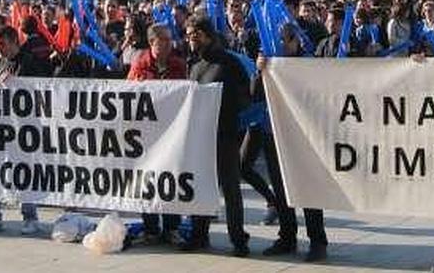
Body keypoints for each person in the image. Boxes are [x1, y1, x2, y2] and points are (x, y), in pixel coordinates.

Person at [258, 23, 329, 262]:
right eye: (279, 40)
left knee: (308, 189)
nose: (282, 44)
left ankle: (317, 240)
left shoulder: (307, 64)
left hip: (302, 134)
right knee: (280, 187)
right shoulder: (268, 62)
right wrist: (260, 72)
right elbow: (254, 93)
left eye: (287, 39)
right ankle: (287, 236)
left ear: (296, 41)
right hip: (273, 131)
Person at [183, 16, 250, 257]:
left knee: (231, 189)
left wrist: (228, 111)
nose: (190, 40)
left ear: (207, 35)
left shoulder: (230, 63)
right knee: (200, 186)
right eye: (188, 35)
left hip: (226, 135)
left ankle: (238, 239)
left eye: (194, 35)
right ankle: (199, 234)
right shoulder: (195, 66)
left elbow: (246, 94)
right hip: (201, 137)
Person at [0, 25, 50, 234]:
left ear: (13, 42)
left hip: (21, 127)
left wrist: (17, 83)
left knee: (23, 170)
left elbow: (41, 87)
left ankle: (30, 216)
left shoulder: (29, 62)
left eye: (2, 45)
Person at [127, 24, 186, 245]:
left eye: (170, 40)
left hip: (172, 134)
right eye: (165, 40)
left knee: (171, 180)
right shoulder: (139, 66)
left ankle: (172, 227)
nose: (170, 44)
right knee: (148, 182)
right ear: (153, 42)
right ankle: (151, 227)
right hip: (147, 136)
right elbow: (127, 95)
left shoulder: (179, 65)